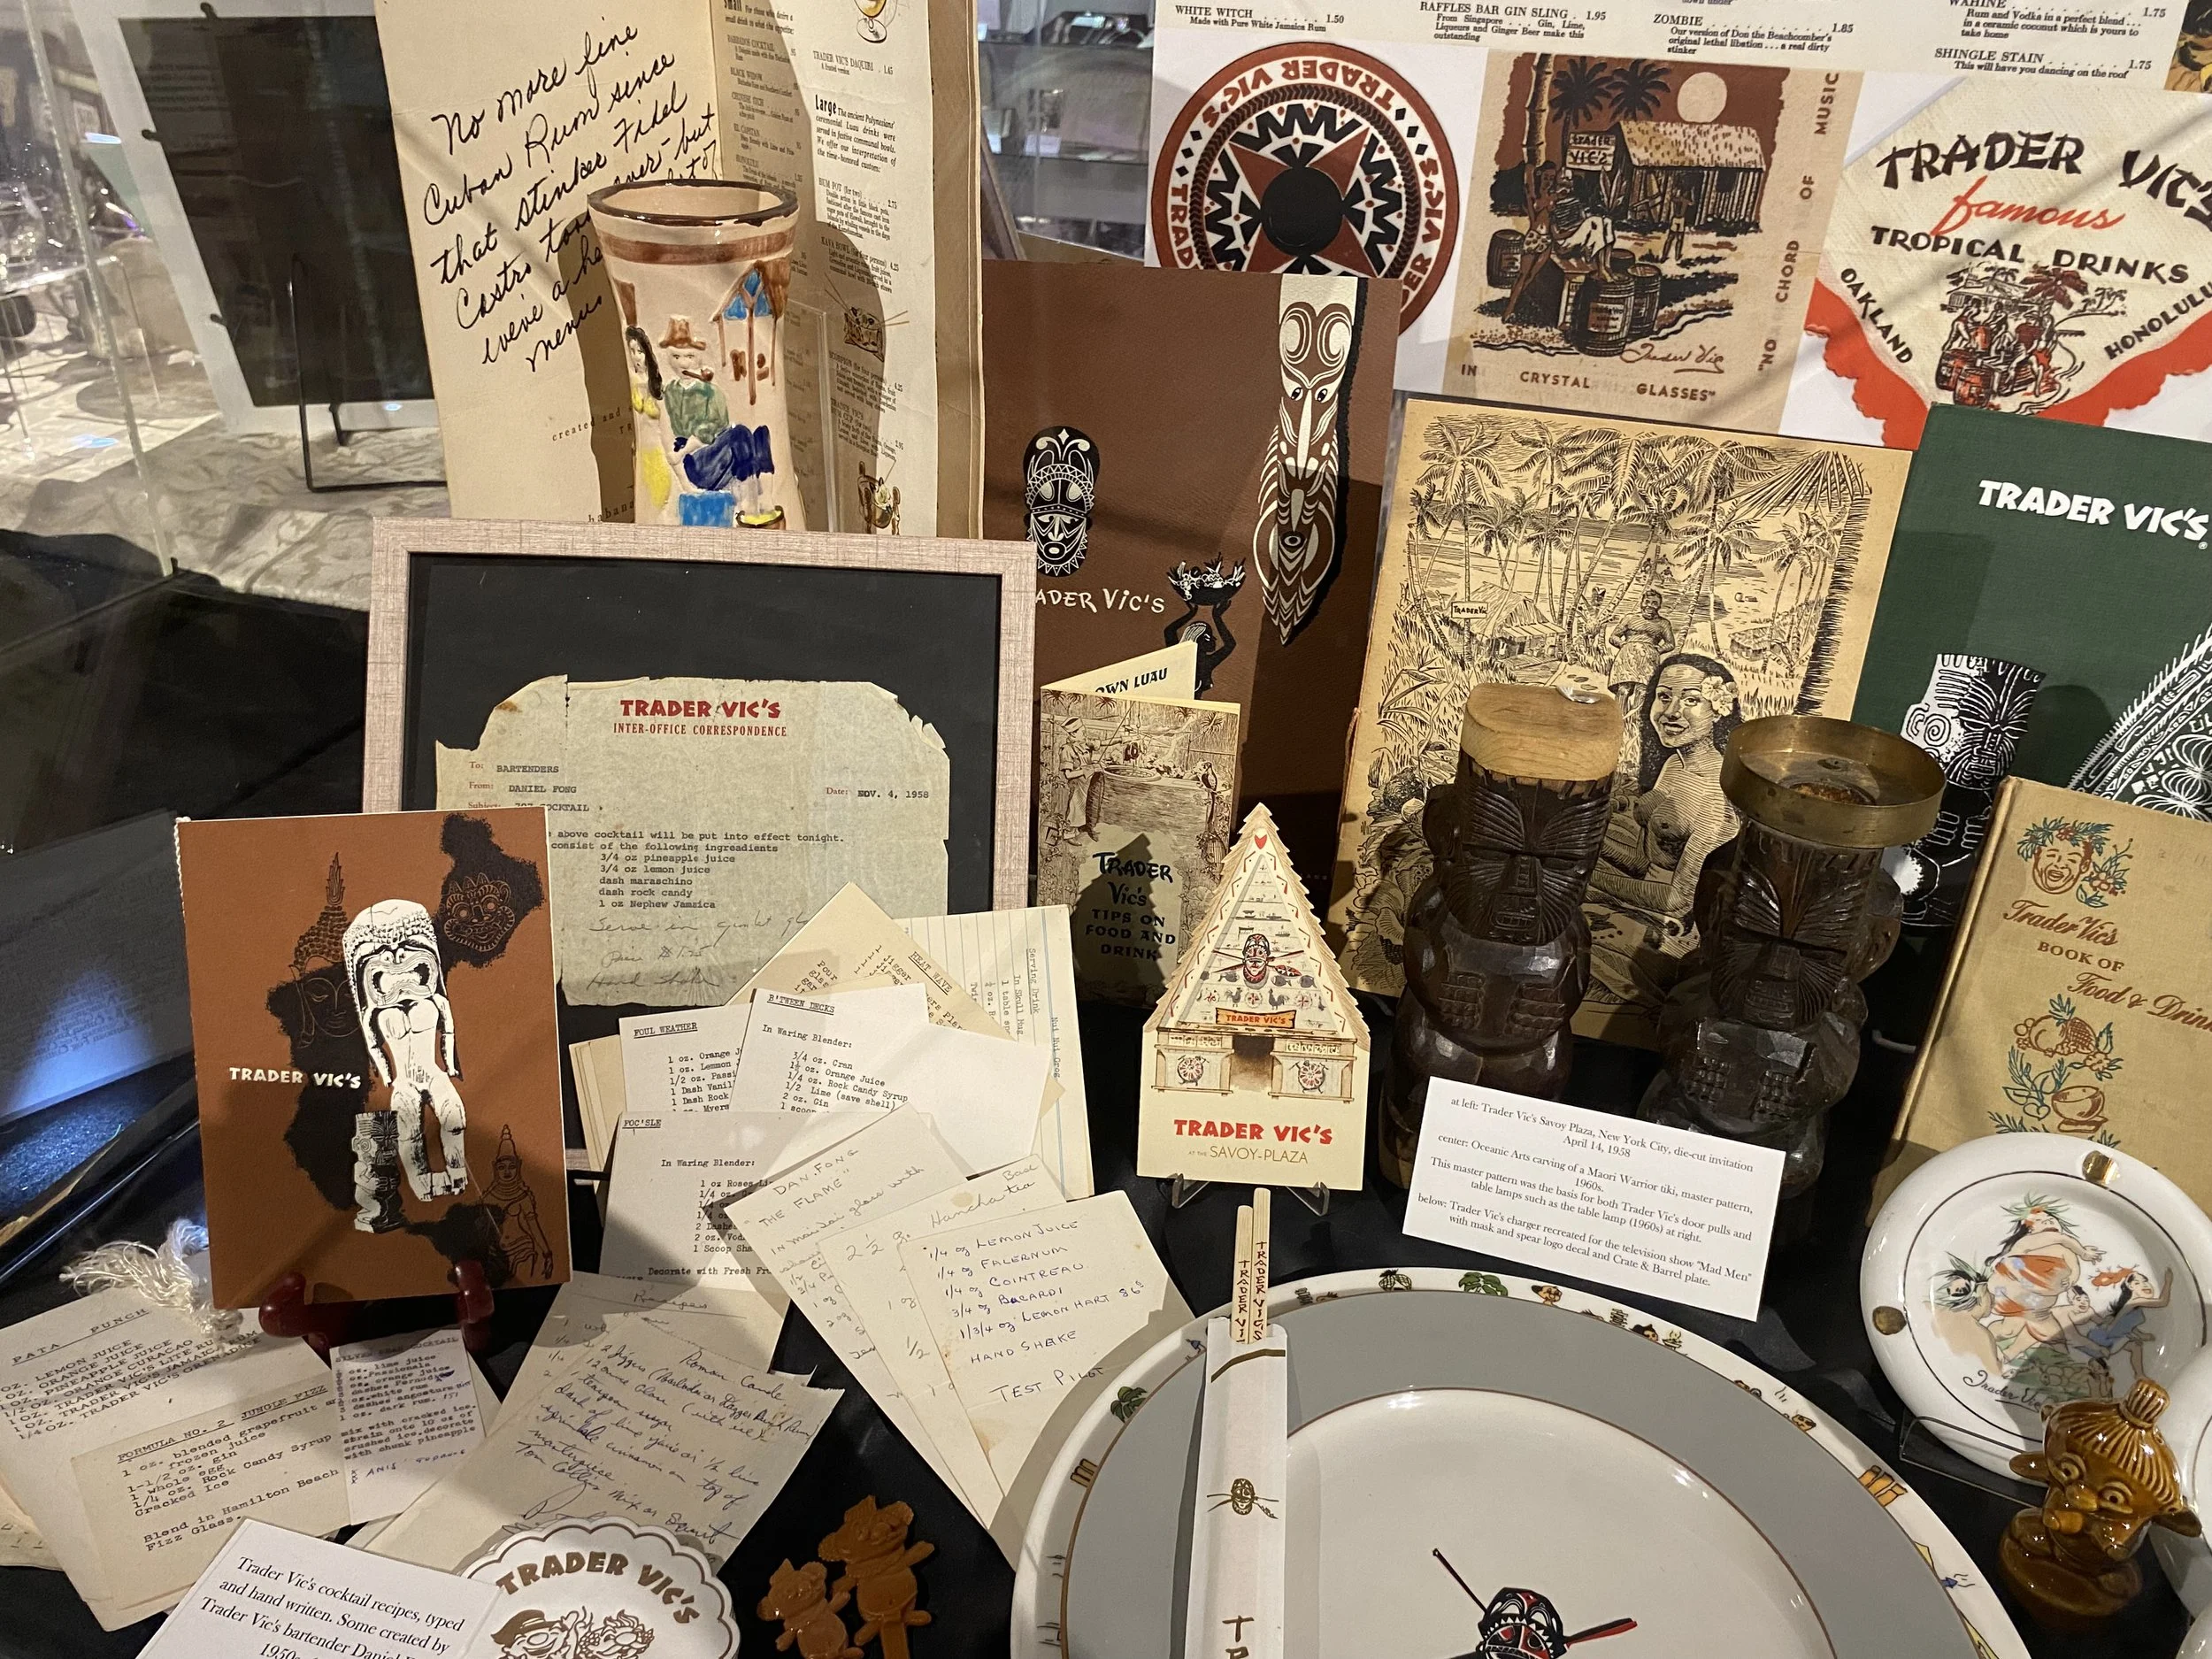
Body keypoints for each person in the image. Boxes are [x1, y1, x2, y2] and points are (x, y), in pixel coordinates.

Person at [1587, 654, 1742, 1005]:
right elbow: (1646, 860)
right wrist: (1590, 847)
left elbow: (1679, 900)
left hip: (1675, 932)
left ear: (1719, 709)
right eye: (1664, 696)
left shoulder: (1716, 797)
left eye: (1691, 700)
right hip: (1642, 895)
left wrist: (1592, 877)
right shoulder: (1674, 764)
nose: (1672, 712)